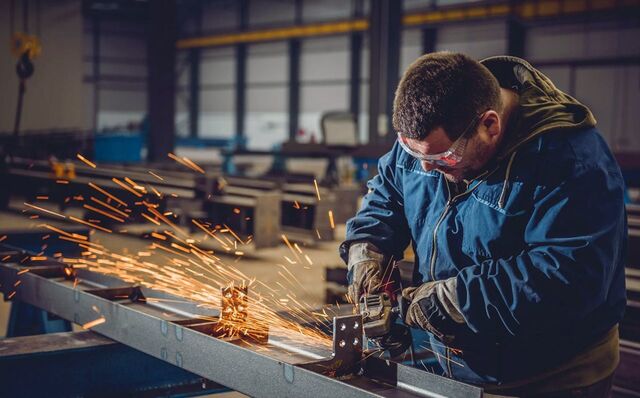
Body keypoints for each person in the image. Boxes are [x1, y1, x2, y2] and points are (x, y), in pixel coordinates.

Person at [341, 52, 627, 397]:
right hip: (448, 363)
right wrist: (365, 254)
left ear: (489, 124)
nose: (427, 169)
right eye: (415, 154)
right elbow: (387, 196)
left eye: (442, 158)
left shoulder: (570, 159)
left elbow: (568, 277)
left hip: (547, 376)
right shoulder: (427, 139)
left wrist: (454, 300)